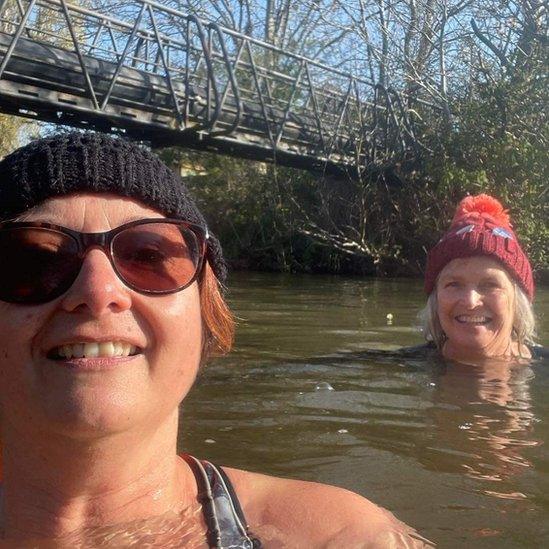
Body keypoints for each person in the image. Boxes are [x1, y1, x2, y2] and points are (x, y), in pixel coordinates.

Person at [0, 132, 432, 547]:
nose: (98, 293)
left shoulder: (342, 537)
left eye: (149, 256)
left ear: (206, 316)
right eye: (32, 261)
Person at [420, 193, 546, 363]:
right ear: (435, 300)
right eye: (454, 284)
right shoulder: (394, 366)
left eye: (490, 285)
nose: (471, 301)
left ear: (518, 301)